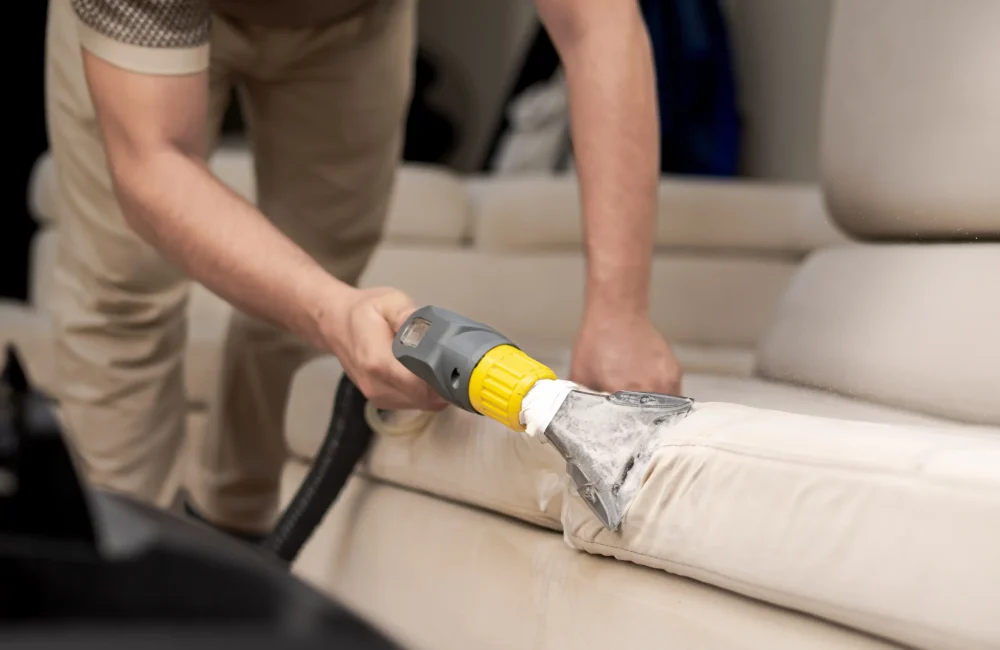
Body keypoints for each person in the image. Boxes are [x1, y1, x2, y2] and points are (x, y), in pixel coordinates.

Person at [45, 0, 683, 541]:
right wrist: (329, 310)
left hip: (351, 23)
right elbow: (151, 160)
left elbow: (596, 22)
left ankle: (236, 540)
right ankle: (119, 573)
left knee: (307, 285)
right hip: (146, 26)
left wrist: (620, 312)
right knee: (123, 294)